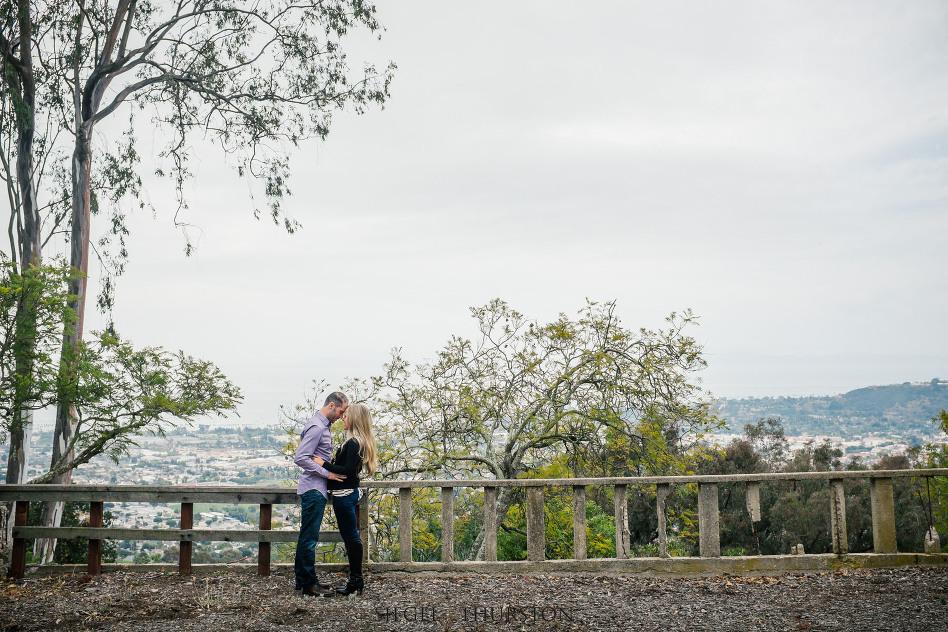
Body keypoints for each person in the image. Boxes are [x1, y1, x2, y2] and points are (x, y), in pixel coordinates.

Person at [312, 402, 378, 596]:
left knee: (351, 538)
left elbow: (347, 471)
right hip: (347, 494)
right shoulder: (357, 442)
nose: (343, 418)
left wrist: (323, 463)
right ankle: (356, 579)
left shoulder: (354, 443)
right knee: (351, 538)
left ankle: (356, 580)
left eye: (346, 415)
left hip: (344, 495)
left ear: (355, 419)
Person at [293, 391, 348, 597]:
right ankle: (309, 585)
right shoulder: (317, 427)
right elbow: (301, 458)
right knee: (309, 538)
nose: (341, 416)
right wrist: (328, 473)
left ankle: (304, 581)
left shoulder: (320, 425)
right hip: (314, 488)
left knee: (306, 537)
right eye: (341, 411)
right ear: (332, 405)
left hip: (315, 489)